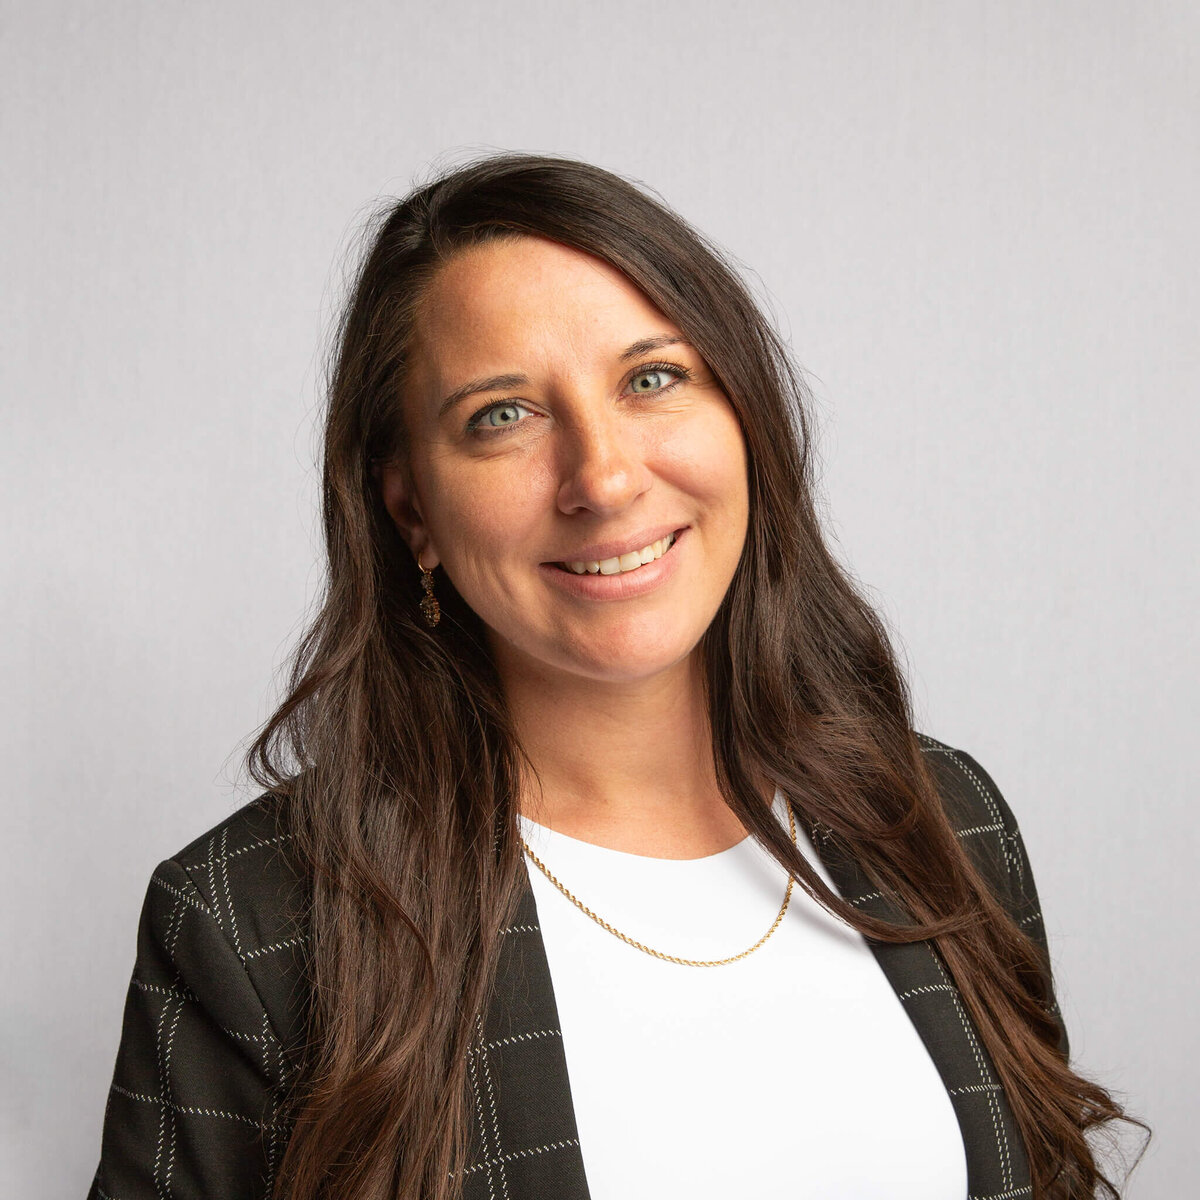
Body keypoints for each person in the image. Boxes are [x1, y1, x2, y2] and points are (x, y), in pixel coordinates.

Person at [88, 153, 1141, 1200]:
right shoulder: (254, 922)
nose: (602, 476)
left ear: (745, 418)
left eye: (652, 379)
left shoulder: (943, 820)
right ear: (411, 510)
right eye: (503, 415)